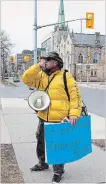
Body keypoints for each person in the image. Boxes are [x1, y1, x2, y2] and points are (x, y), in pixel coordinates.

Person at [22, 52, 82, 183]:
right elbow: (25, 79)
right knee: (41, 141)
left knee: (57, 145)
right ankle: (42, 163)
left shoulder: (66, 76)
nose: (44, 62)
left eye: (46, 60)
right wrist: (37, 66)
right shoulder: (41, 75)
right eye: (42, 60)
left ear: (55, 62)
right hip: (43, 116)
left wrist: (73, 114)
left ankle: (58, 171)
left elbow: (75, 97)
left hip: (59, 119)